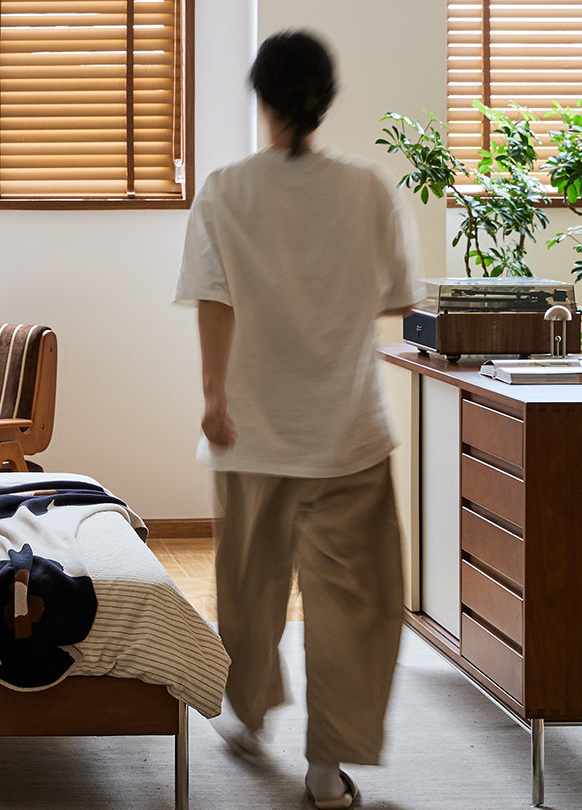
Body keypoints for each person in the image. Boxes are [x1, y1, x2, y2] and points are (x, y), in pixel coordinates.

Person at [172, 30, 421, 810]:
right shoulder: (369, 188)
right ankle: (326, 764)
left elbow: (213, 298)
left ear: (262, 98)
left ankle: (247, 717)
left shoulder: (225, 189)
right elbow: (397, 299)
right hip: (348, 433)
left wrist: (213, 396)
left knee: (249, 590)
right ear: (325, 98)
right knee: (354, 605)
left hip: (250, 433)